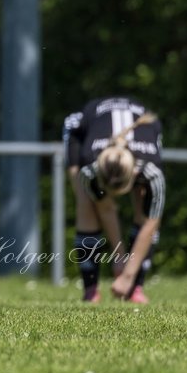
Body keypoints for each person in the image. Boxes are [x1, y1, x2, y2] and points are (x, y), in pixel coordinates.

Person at [62, 96, 166, 303]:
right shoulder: (90, 168)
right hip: (80, 129)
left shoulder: (152, 172)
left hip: (145, 127)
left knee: (143, 206)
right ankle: (90, 290)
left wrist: (127, 275)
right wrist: (119, 256)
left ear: (135, 175)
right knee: (86, 205)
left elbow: (151, 224)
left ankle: (135, 287)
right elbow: (106, 208)